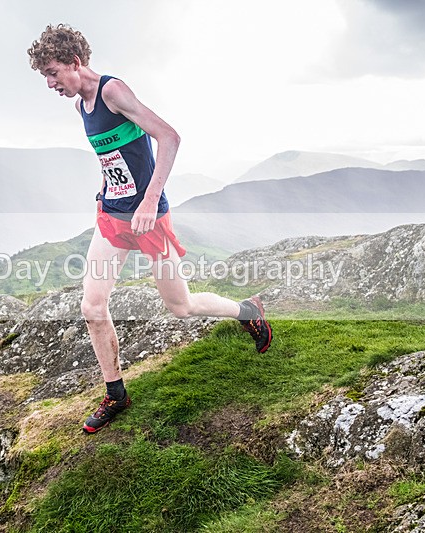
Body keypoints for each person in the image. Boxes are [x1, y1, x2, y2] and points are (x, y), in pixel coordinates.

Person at [27, 24, 272, 434]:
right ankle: (116, 394)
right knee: (92, 307)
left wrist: (146, 200)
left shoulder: (112, 92)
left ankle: (248, 312)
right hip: (112, 218)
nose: (50, 83)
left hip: (148, 217)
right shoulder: (80, 107)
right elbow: (116, 154)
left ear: (75, 62)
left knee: (180, 307)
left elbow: (169, 138)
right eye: (45, 77)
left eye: (53, 73)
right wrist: (108, 189)